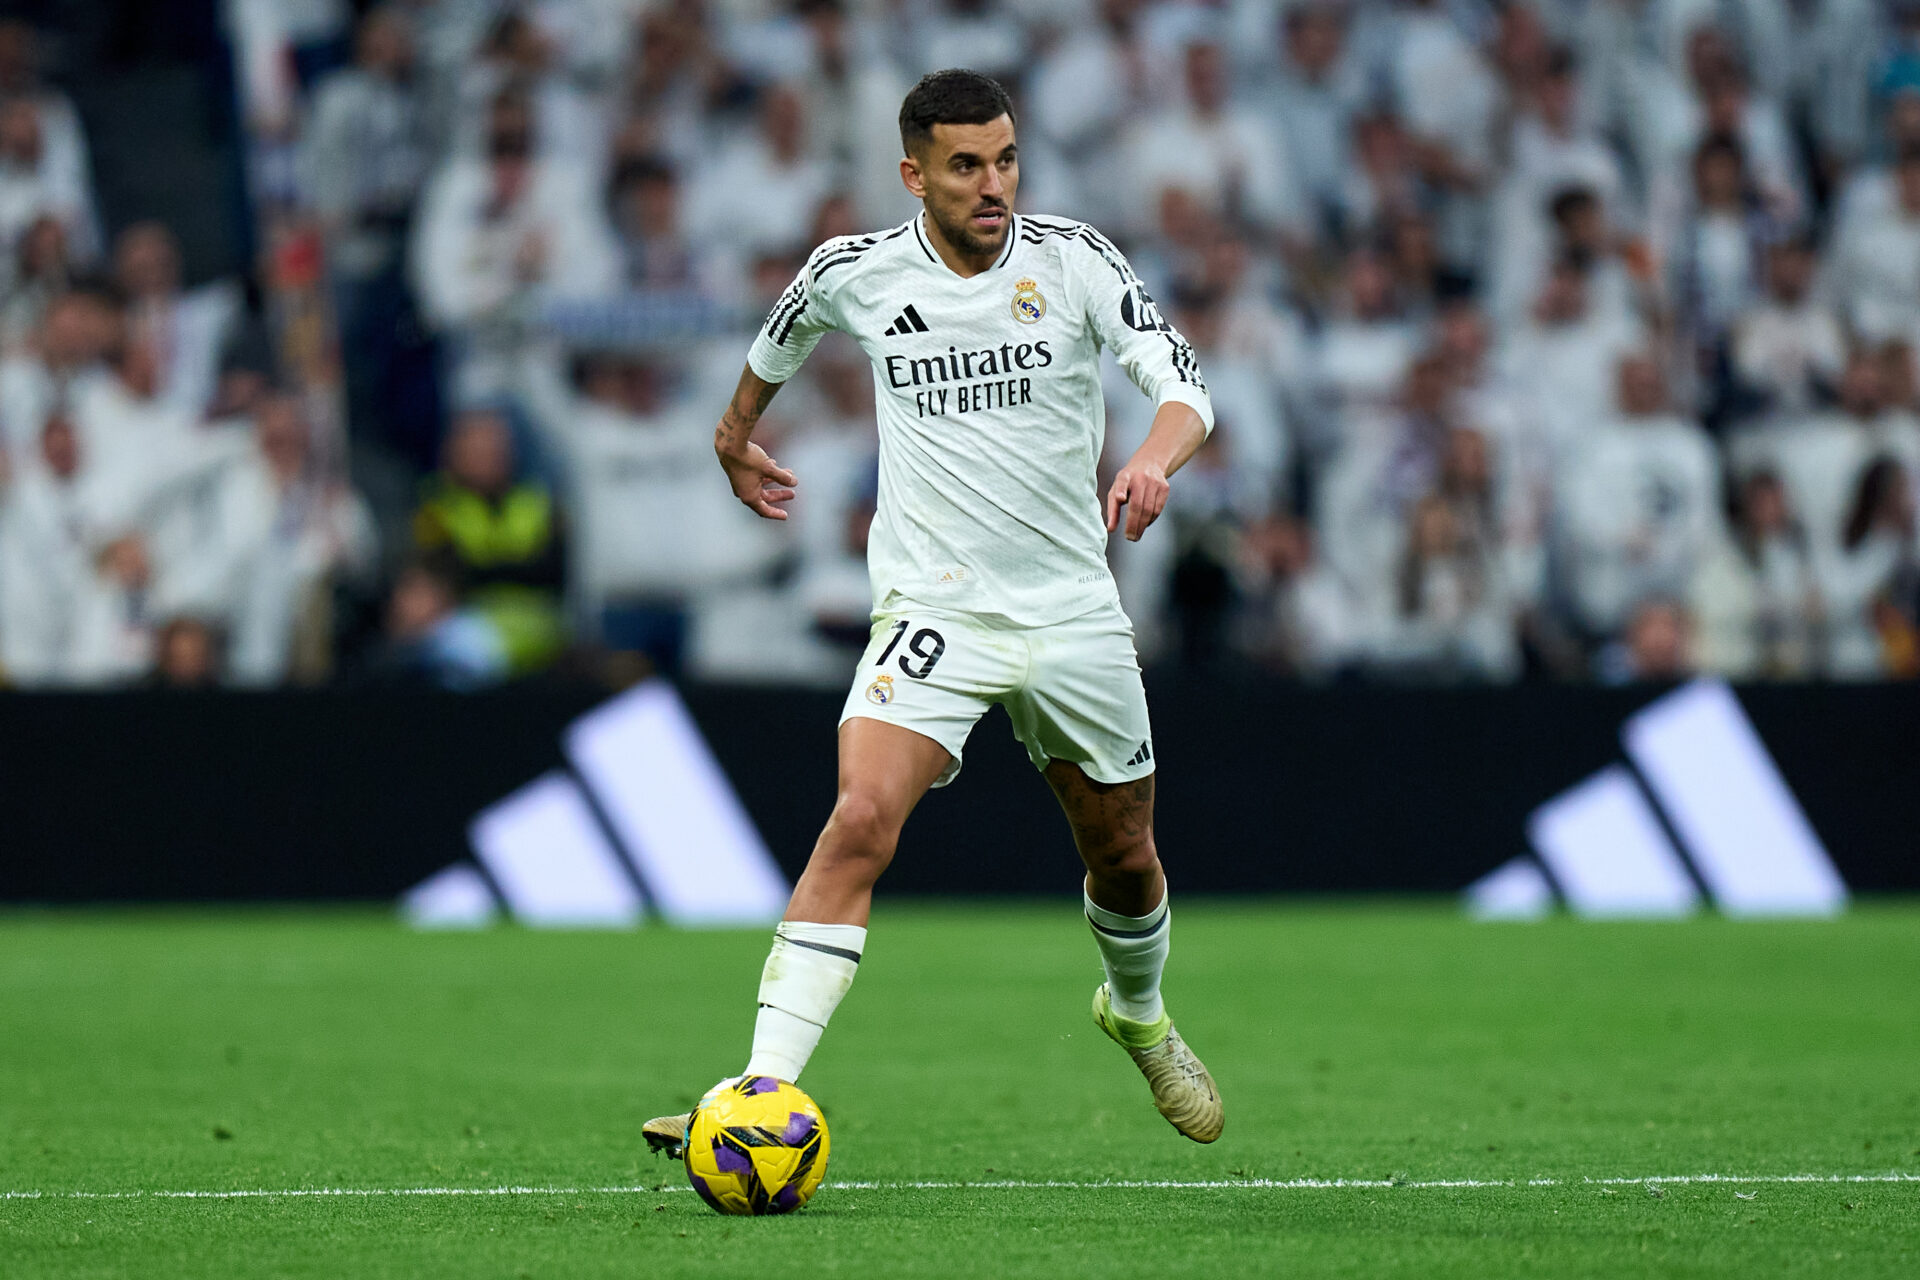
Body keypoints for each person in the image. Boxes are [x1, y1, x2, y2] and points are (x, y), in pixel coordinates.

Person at [644, 69, 1223, 1155]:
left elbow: (1185, 383)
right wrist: (731, 435)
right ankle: (758, 1092)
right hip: (935, 608)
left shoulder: (1075, 260)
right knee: (860, 815)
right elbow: (780, 337)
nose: (993, 183)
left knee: (1126, 853)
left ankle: (1136, 1011)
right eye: (966, 166)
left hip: (1068, 611)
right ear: (914, 174)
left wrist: (1152, 458)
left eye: (1005, 158)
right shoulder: (855, 273)